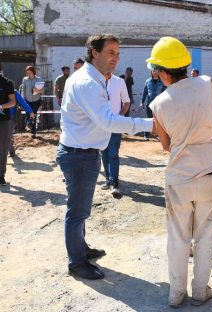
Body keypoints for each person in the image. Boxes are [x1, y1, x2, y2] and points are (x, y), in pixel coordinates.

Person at [56, 34, 154, 280]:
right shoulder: (88, 83)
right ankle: (76, 263)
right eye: (111, 52)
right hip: (79, 155)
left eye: (118, 53)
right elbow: (108, 121)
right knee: (77, 212)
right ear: (94, 53)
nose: (116, 58)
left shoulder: (92, 78)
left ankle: (81, 249)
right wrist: (151, 124)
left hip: (83, 152)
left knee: (80, 210)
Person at [147, 36, 212, 308]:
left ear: (160, 72)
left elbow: (166, 145)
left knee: (178, 237)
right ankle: (199, 291)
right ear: (185, 63)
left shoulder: (158, 104)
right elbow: (208, 89)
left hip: (180, 177)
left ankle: (175, 295)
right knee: (206, 235)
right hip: (210, 175)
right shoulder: (208, 84)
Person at [100, 72, 130, 195]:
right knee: (104, 153)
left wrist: (119, 117)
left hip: (115, 125)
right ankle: (108, 179)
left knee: (113, 153)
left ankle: (114, 182)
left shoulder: (119, 82)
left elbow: (126, 102)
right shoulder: (95, 81)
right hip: (100, 125)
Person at [0, 63, 17, 186]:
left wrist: (1, 106)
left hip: (4, 120)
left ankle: (0, 176)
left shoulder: (7, 83)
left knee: (2, 149)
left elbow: (13, 102)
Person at [141, 69, 165, 140]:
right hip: (149, 104)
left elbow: (165, 92)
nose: (155, 72)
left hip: (159, 105)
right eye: (153, 71)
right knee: (149, 119)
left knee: (159, 120)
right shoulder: (148, 81)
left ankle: (159, 135)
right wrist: (141, 102)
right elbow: (144, 92)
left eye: (156, 71)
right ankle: (146, 135)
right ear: (151, 72)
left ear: (158, 72)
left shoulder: (162, 81)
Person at [8, 91, 34, 157]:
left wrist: (30, 111)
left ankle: (11, 151)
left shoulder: (14, 92)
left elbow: (23, 103)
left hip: (11, 117)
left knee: (8, 136)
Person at [21, 66, 43, 138]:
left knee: (34, 113)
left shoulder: (39, 79)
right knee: (28, 113)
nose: (29, 74)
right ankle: (29, 124)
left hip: (36, 100)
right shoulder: (25, 79)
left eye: (30, 72)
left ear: (33, 72)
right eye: (27, 73)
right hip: (27, 100)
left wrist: (38, 91)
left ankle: (33, 130)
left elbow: (42, 91)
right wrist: (23, 100)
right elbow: (23, 90)